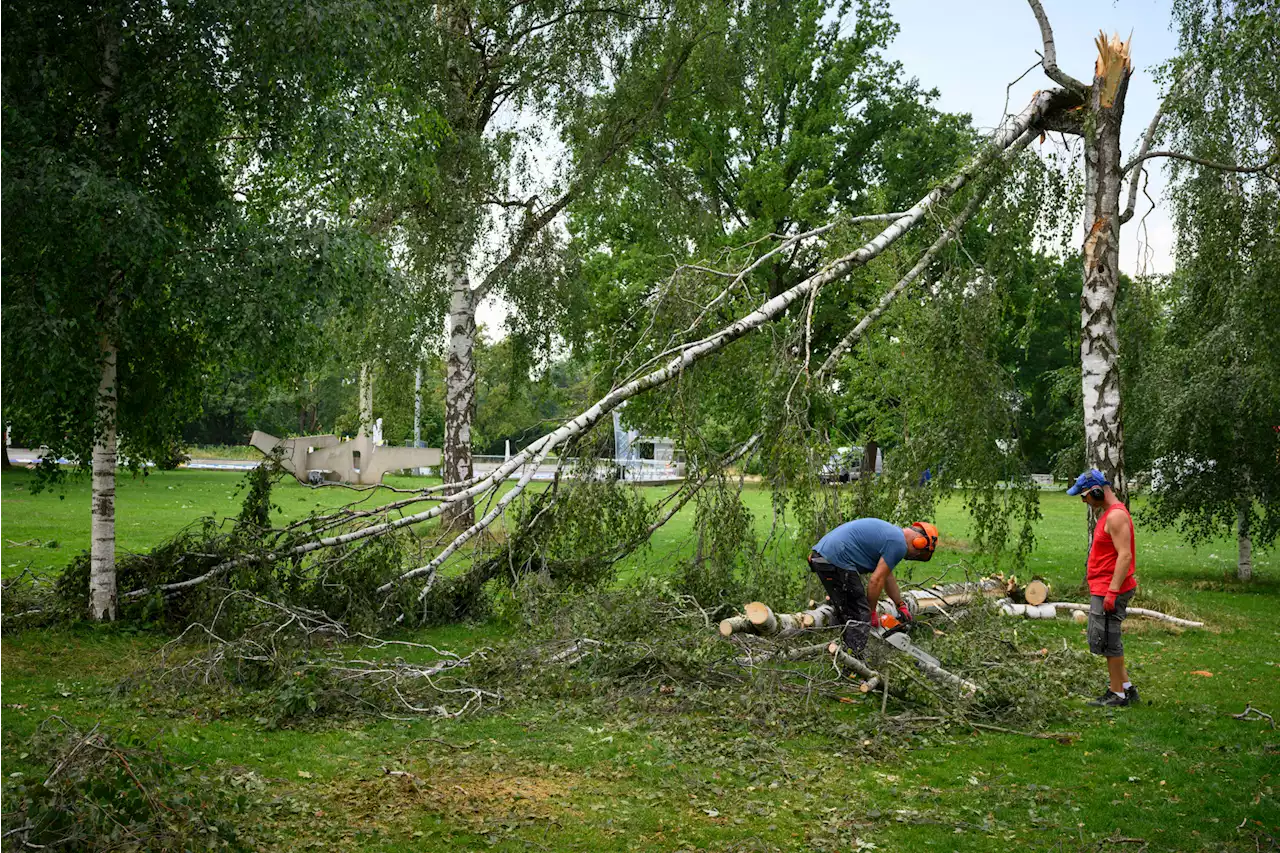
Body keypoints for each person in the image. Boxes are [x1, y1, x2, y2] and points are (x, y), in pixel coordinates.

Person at [808, 518, 939, 657]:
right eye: (918, 554)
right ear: (919, 542)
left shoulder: (893, 535)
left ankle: (844, 652)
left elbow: (887, 577)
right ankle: (853, 665)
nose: (913, 556)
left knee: (848, 608)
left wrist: (900, 604)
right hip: (836, 560)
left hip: (822, 557)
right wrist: (870, 612)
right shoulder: (899, 544)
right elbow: (875, 581)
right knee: (860, 615)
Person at [1067, 468, 1139, 707]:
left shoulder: (1115, 516)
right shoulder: (1108, 514)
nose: (1084, 501)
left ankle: (1116, 694)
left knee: (1109, 640)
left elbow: (1125, 556)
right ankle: (1126, 688)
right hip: (1103, 586)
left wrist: (1112, 591)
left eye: (1084, 496)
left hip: (1110, 587)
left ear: (1096, 491)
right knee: (1107, 639)